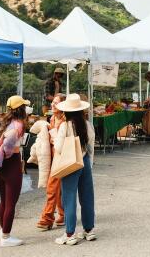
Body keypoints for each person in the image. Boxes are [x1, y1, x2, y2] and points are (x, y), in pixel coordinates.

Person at [53, 93, 96, 246]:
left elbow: (58, 147)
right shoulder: (87, 124)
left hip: (70, 162)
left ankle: (70, 233)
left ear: (67, 111)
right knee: (87, 197)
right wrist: (89, 163)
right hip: (84, 161)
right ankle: (89, 230)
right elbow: (91, 145)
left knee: (69, 197)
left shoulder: (65, 126)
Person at [0, 95, 30, 247]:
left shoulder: (5, 122)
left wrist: (2, 153)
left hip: (0, 165)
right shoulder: (19, 125)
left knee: (4, 200)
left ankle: (3, 229)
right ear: (21, 109)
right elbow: (8, 144)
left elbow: (0, 141)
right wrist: (8, 152)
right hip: (12, 163)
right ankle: (6, 236)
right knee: (11, 203)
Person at [36, 94, 65, 230]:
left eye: (56, 103)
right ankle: (63, 214)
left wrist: (53, 138)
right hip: (53, 156)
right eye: (52, 102)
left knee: (52, 187)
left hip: (62, 156)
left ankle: (47, 218)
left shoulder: (65, 121)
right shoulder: (52, 118)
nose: (52, 104)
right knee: (57, 188)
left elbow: (60, 142)